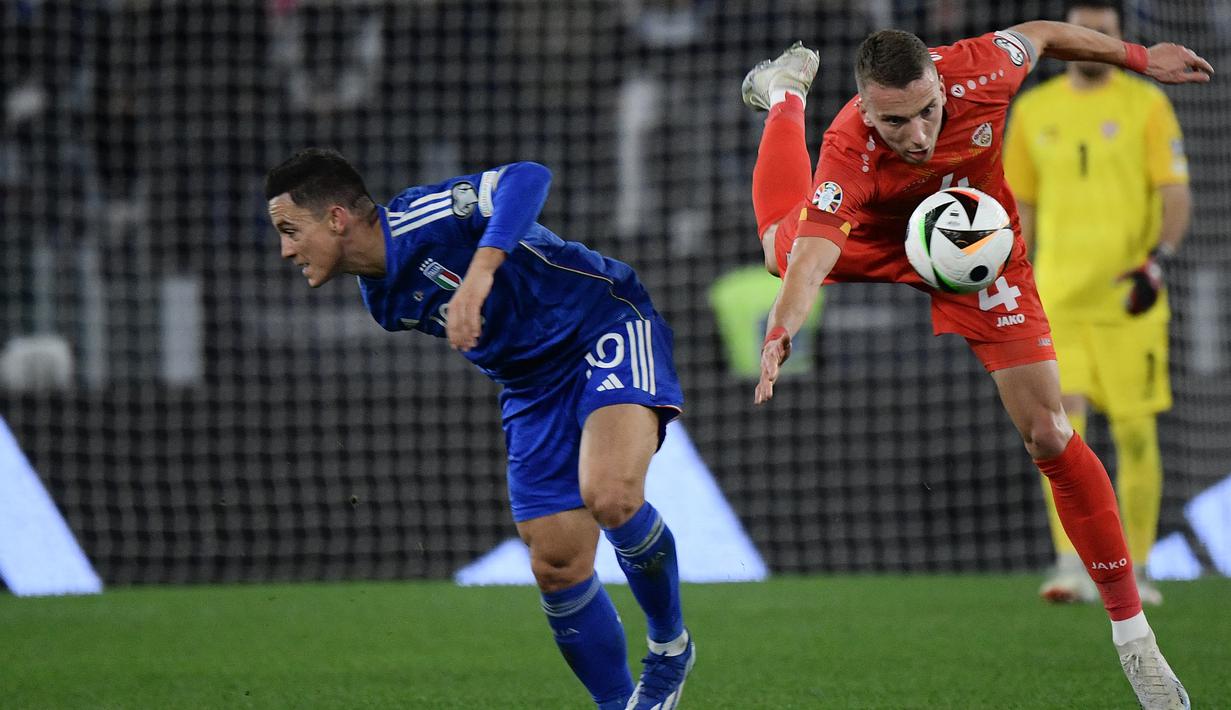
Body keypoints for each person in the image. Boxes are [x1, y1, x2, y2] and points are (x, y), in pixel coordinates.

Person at [740, 19, 1210, 710]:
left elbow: (1046, 34)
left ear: (938, 82)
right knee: (781, 250)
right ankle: (784, 95)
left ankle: (1135, 640)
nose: (919, 133)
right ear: (867, 108)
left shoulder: (983, 69)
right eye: (895, 120)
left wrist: (1138, 57)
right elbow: (812, 261)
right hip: (879, 239)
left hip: (977, 247)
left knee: (1050, 433)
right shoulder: (849, 146)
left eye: (927, 109)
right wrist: (782, 327)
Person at [265, 149, 694, 710]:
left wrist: (480, 273)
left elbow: (528, 177)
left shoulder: (423, 217)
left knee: (611, 495)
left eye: (290, 229)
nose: (285, 249)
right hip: (530, 387)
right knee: (556, 565)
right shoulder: (384, 302)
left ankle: (668, 648)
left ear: (337, 218)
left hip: (602, 324)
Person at [1003, 0, 1192, 609]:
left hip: (1128, 301)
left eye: (1104, 34)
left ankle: (1136, 566)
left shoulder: (1147, 104)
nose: (1092, 43)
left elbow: (1174, 192)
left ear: (1118, 38)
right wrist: (1016, 275)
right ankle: (1071, 565)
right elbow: (1021, 207)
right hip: (1057, 295)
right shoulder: (1033, 111)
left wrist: (1158, 260)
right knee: (1058, 432)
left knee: (1136, 435)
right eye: (1084, 33)